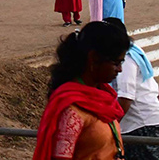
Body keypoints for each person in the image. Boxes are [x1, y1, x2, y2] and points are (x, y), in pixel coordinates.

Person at [32, 21, 131, 160]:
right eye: (115, 63)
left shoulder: (105, 98)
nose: (119, 69)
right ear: (94, 58)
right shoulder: (71, 111)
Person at [104, 18, 159, 160]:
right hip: (146, 121)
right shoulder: (133, 49)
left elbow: (126, 97)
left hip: (141, 125)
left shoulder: (126, 59)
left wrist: (111, 127)